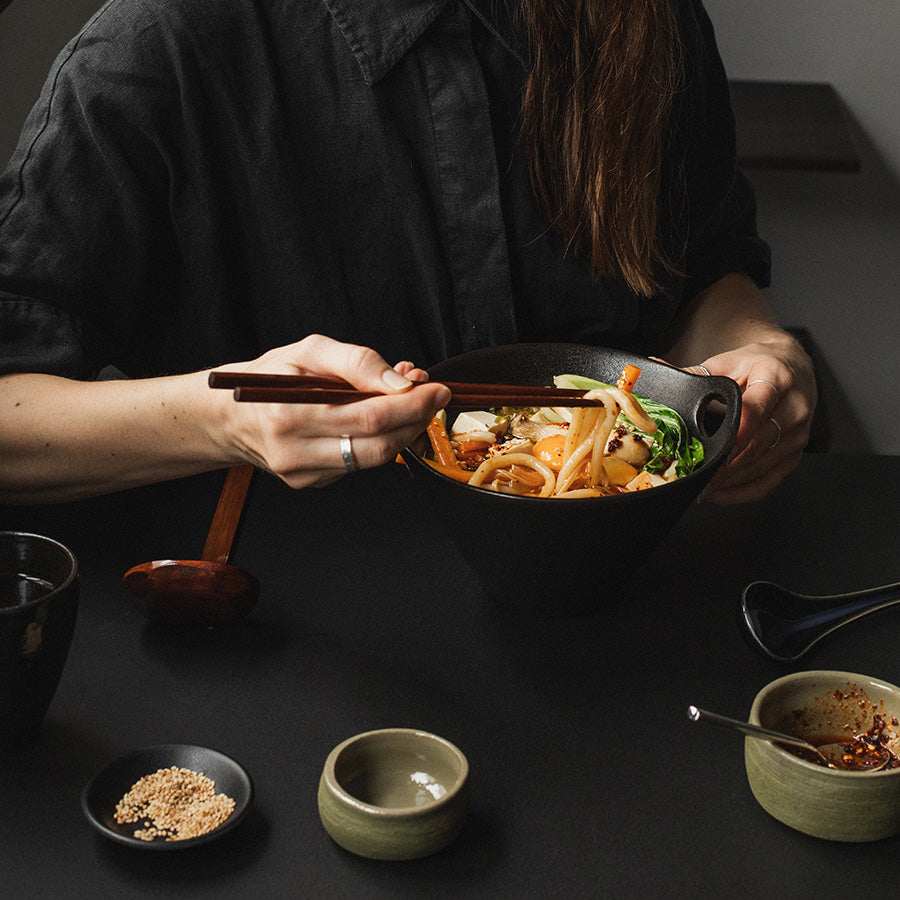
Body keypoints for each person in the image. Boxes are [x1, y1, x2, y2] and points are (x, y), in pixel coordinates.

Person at [0, 0, 815, 506]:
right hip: (288, 636)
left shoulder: (647, 20)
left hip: (620, 608)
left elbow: (708, 268)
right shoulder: (157, 44)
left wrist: (761, 349)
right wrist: (222, 422)